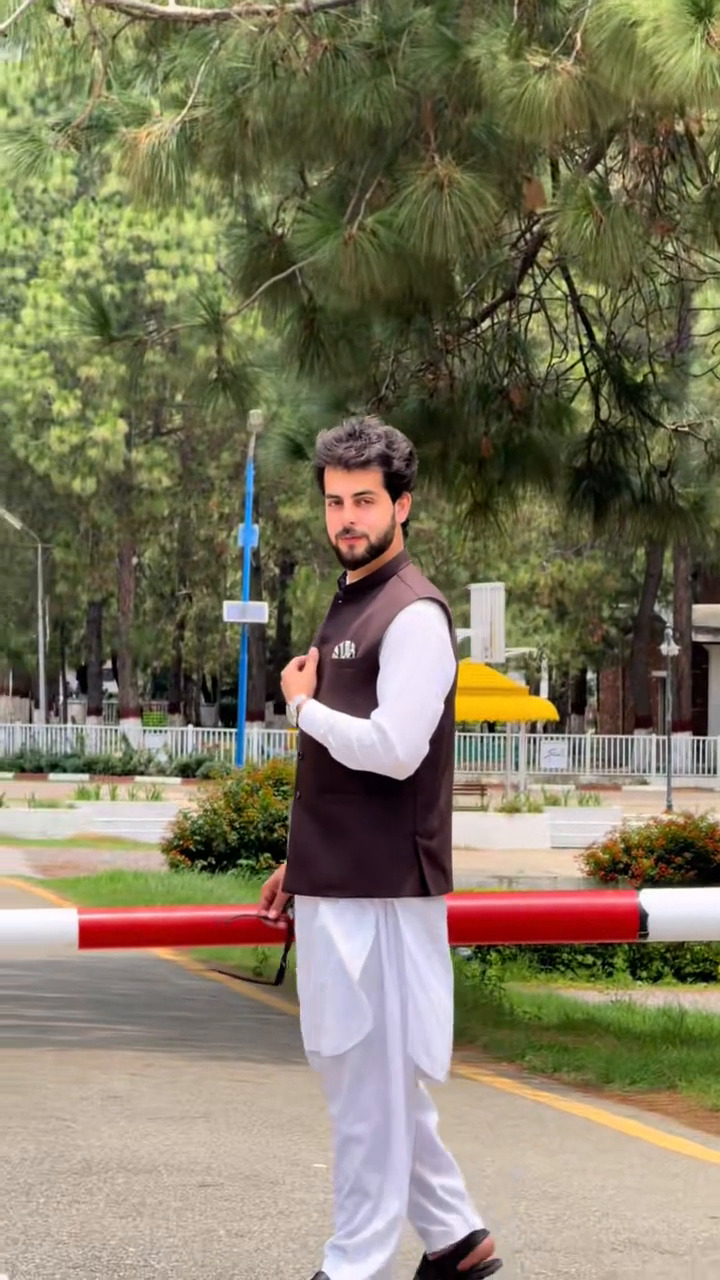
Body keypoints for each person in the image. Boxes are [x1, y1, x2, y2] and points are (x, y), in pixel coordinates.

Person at [259, 416, 502, 1280]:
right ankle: (458, 1239)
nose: (347, 518)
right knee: (371, 1082)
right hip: (342, 883)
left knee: (366, 1093)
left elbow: (396, 750)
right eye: (335, 502)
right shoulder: (353, 599)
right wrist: (303, 862)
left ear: (403, 505)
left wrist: (303, 709)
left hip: (386, 896)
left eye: (364, 500)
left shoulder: (416, 615)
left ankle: (351, 1266)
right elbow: (342, 781)